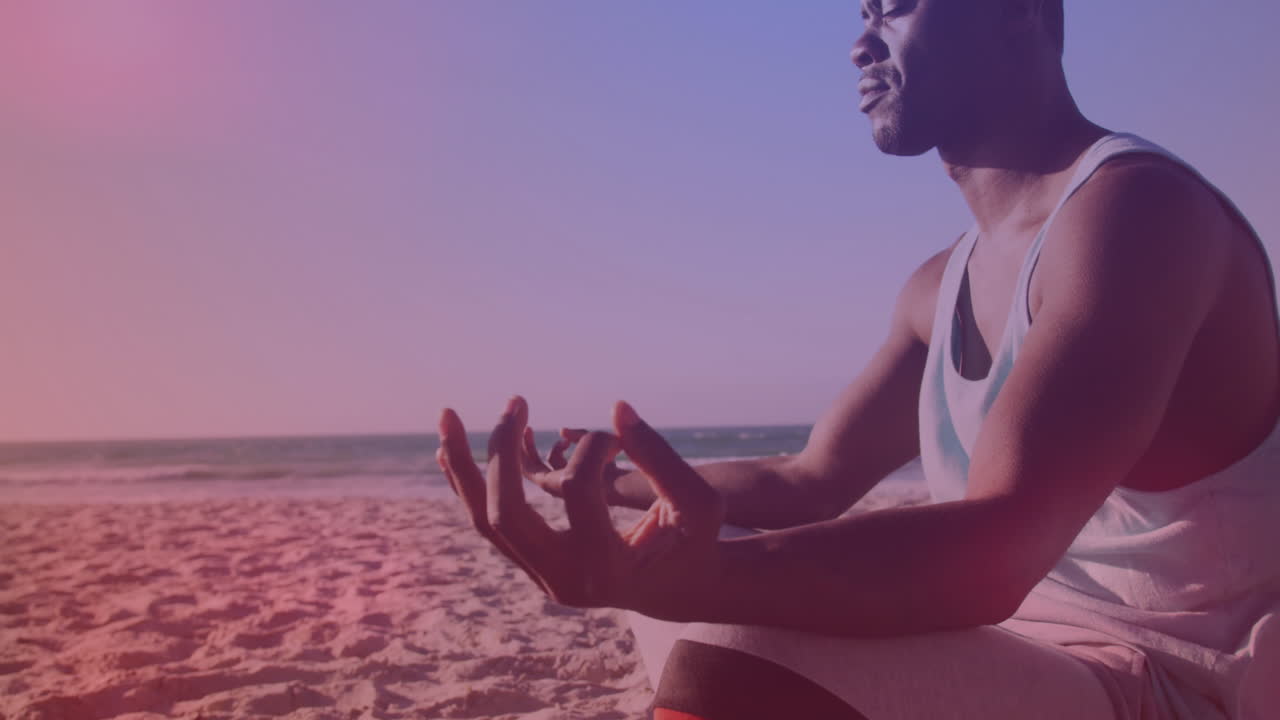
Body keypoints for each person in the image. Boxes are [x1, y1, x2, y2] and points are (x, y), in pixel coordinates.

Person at [436, 0, 1280, 717]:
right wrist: (599, 481)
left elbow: (992, 554)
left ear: (1020, 9)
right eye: (861, 10)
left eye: (897, 3)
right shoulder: (937, 284)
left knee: (724, 630)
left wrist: (701, 581)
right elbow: (809, 481)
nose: (859, 42)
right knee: (668, 561)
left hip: (1167, 683)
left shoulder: (1138, 214)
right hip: (1019, 648)